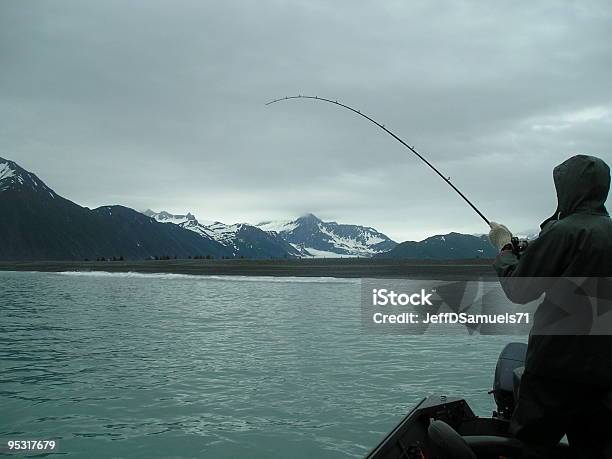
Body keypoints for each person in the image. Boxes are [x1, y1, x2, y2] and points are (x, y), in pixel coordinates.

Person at [488, 154, 612, 459]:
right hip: (604, 370)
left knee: (530, 447)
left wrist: (504, 249)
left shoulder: (564, 231)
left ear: (567, 189)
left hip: (555, 367)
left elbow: (519, 288)